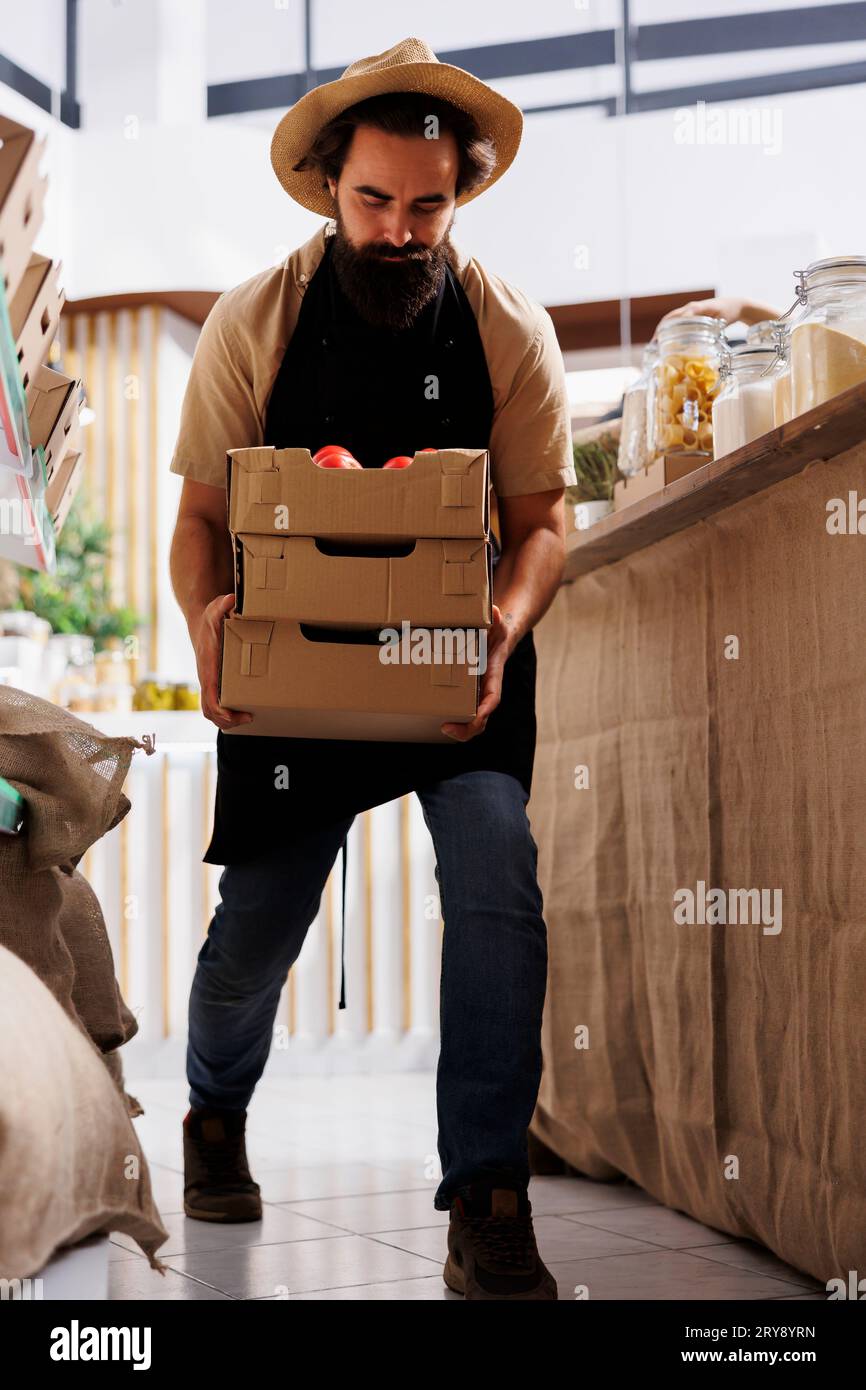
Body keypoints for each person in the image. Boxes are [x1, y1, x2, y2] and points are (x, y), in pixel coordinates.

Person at [168, 36, 575, 1301]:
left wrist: (503, 628)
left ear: (458, 196)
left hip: (455, 667)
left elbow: (543, 517)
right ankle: (214, 1112)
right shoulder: (257, 318)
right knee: (258, 933)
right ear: (329, 189)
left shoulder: (506, 326)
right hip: (297, 676)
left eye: (427, 205)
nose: (400, 230)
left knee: (496, 875)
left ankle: (487, 1191)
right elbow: (195, 519)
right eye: (374, 201)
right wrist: (206, 628)